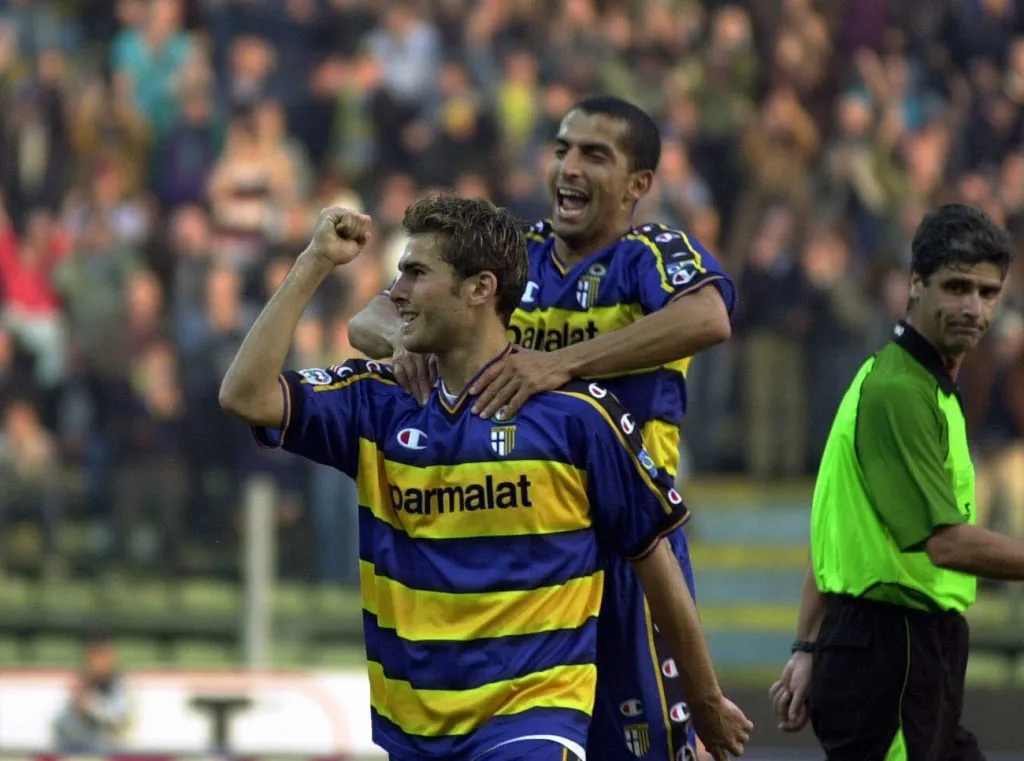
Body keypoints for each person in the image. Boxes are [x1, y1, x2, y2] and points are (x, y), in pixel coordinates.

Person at [219, 196, 753, 761]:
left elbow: (654, 558)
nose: (396, 293)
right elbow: (244, 394)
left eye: (416, 273)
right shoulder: (377, 402)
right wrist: (314, 261)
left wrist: (706, 699)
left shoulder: (578, 418)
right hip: (415, 730)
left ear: (480, 288)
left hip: (533, 720)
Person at [348, 96, 734, 761]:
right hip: (531, 552)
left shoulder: (649, 253)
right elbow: (368, 321)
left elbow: (708, 318)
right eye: (561, 149)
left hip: (629, 544)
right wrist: (408, 340)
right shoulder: (514, 252)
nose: (568, 166)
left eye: (594, 154)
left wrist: (562, 362)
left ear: (638, 184)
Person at [769, 203, 1022, 761]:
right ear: (915, 284)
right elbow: (945, 543)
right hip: (892, 651)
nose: (974, 308)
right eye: (956, 287)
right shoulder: (899, 392)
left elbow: (834, 531)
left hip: (901, 648)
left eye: (988, 292)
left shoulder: (910, 382)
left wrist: (807, 644)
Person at [54, 634, 132, 753]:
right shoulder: (82, 683)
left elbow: (119, 717)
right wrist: (77, 705)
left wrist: (91, 706)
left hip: (114, 751)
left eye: (101, 656)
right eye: (93, 657)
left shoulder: (120, 684)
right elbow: (61, 726)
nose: (97, 663)